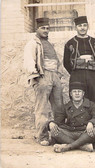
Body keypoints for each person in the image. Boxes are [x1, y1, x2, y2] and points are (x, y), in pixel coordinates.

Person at [23, 18, 63, 146]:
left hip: (54, 76)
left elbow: (56, 60)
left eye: (47, 28)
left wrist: (58, 74)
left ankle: (59, 135)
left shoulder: (49, 43)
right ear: (37, 29)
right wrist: (37, 75)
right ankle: (42, 136)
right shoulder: (33, 43)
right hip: (42, 75)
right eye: (43, 28)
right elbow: (29, 61)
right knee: (42, 108)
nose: (46, 31)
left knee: (59, 107)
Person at [48, 82, 95, 153]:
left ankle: (68, 147)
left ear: (83, 93)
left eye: (79, 91)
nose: (77, 93)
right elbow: (58, 120)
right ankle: (82, 146)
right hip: (70, 132)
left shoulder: (90, 104)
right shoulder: (66, 106)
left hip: (85, 133)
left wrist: (91, 122)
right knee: (54, 131)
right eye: (74, 91)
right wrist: (52, 123)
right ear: (71, 94)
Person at [63, 16, 95, 109]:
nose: (82, 28)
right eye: (80, 26)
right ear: (75, 27)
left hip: (93, 74)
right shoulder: (70, 43)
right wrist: (76, 70)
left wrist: (91, 63)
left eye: (84, 25)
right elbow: (66, 62)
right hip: (77, 74)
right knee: (78, 98)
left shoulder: (94, 42)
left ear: (87, 26)